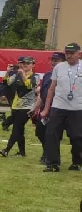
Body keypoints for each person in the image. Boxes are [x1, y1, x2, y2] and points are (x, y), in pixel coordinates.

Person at [40, 43, 82, 172]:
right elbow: (52, 89)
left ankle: (77, 162)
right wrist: (46, 109)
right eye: (67, 53)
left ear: (79, 54)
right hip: (58, 106)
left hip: (77, 109)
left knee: (76, 137)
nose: (69, 56)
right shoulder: (59, 67)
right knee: (52, 134)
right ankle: (52, 164)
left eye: (72, 53)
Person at [0, 56, 40, 158]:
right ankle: (22, 153)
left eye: (28, 63)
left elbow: (29, 86)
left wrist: (22, 76)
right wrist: (7, 72)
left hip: (27, 107)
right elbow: (7, 82)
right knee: (20, 130)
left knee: (16, 128)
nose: (25, 65)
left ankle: (6, 150)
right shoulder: (17, 74)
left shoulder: (35, 76)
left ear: (33, 65)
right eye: (23, 63)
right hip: (16, 106)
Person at [34, 52, 66, 165]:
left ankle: (51, 158)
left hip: (58, 109)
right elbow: (42, 94)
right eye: (52, 60)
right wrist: (35, 109)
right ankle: (47, 152)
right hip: (44, 109)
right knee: (39, 132)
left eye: (56, 60)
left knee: (53, 134)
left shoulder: (67, 76)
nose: (53, 62)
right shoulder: (47, 75)